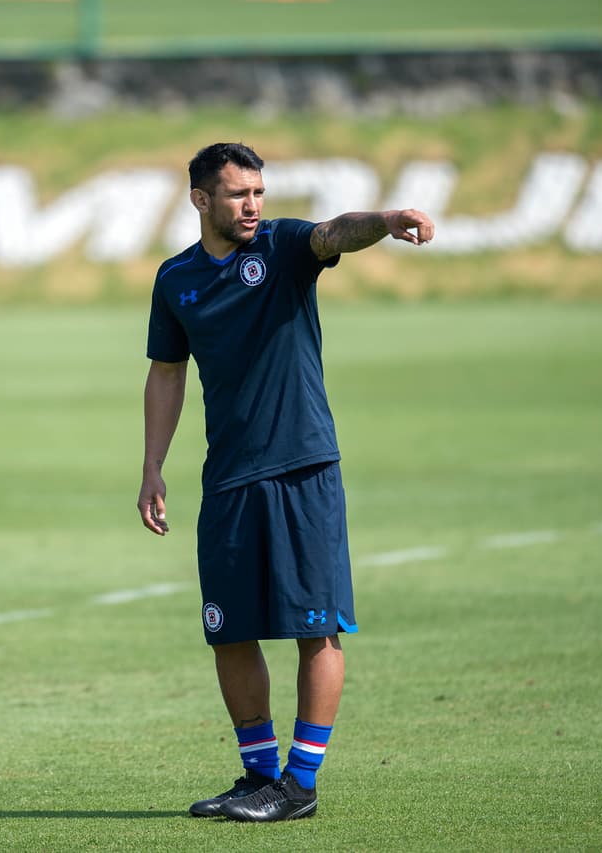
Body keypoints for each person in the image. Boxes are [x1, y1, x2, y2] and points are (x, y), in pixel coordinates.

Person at [137, 142, 434, 822]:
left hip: (302, 469)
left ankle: (299, 784)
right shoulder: (175, 279)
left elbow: (335, 233)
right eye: (239, 193)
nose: (253, 205)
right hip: (229, 480)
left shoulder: (284, 248)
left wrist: (385, 220)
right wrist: (153, 466)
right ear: (201, 199)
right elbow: (166, 371)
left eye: (259, 193)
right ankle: (258, 774)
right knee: (228, 629)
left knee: (316, 628)